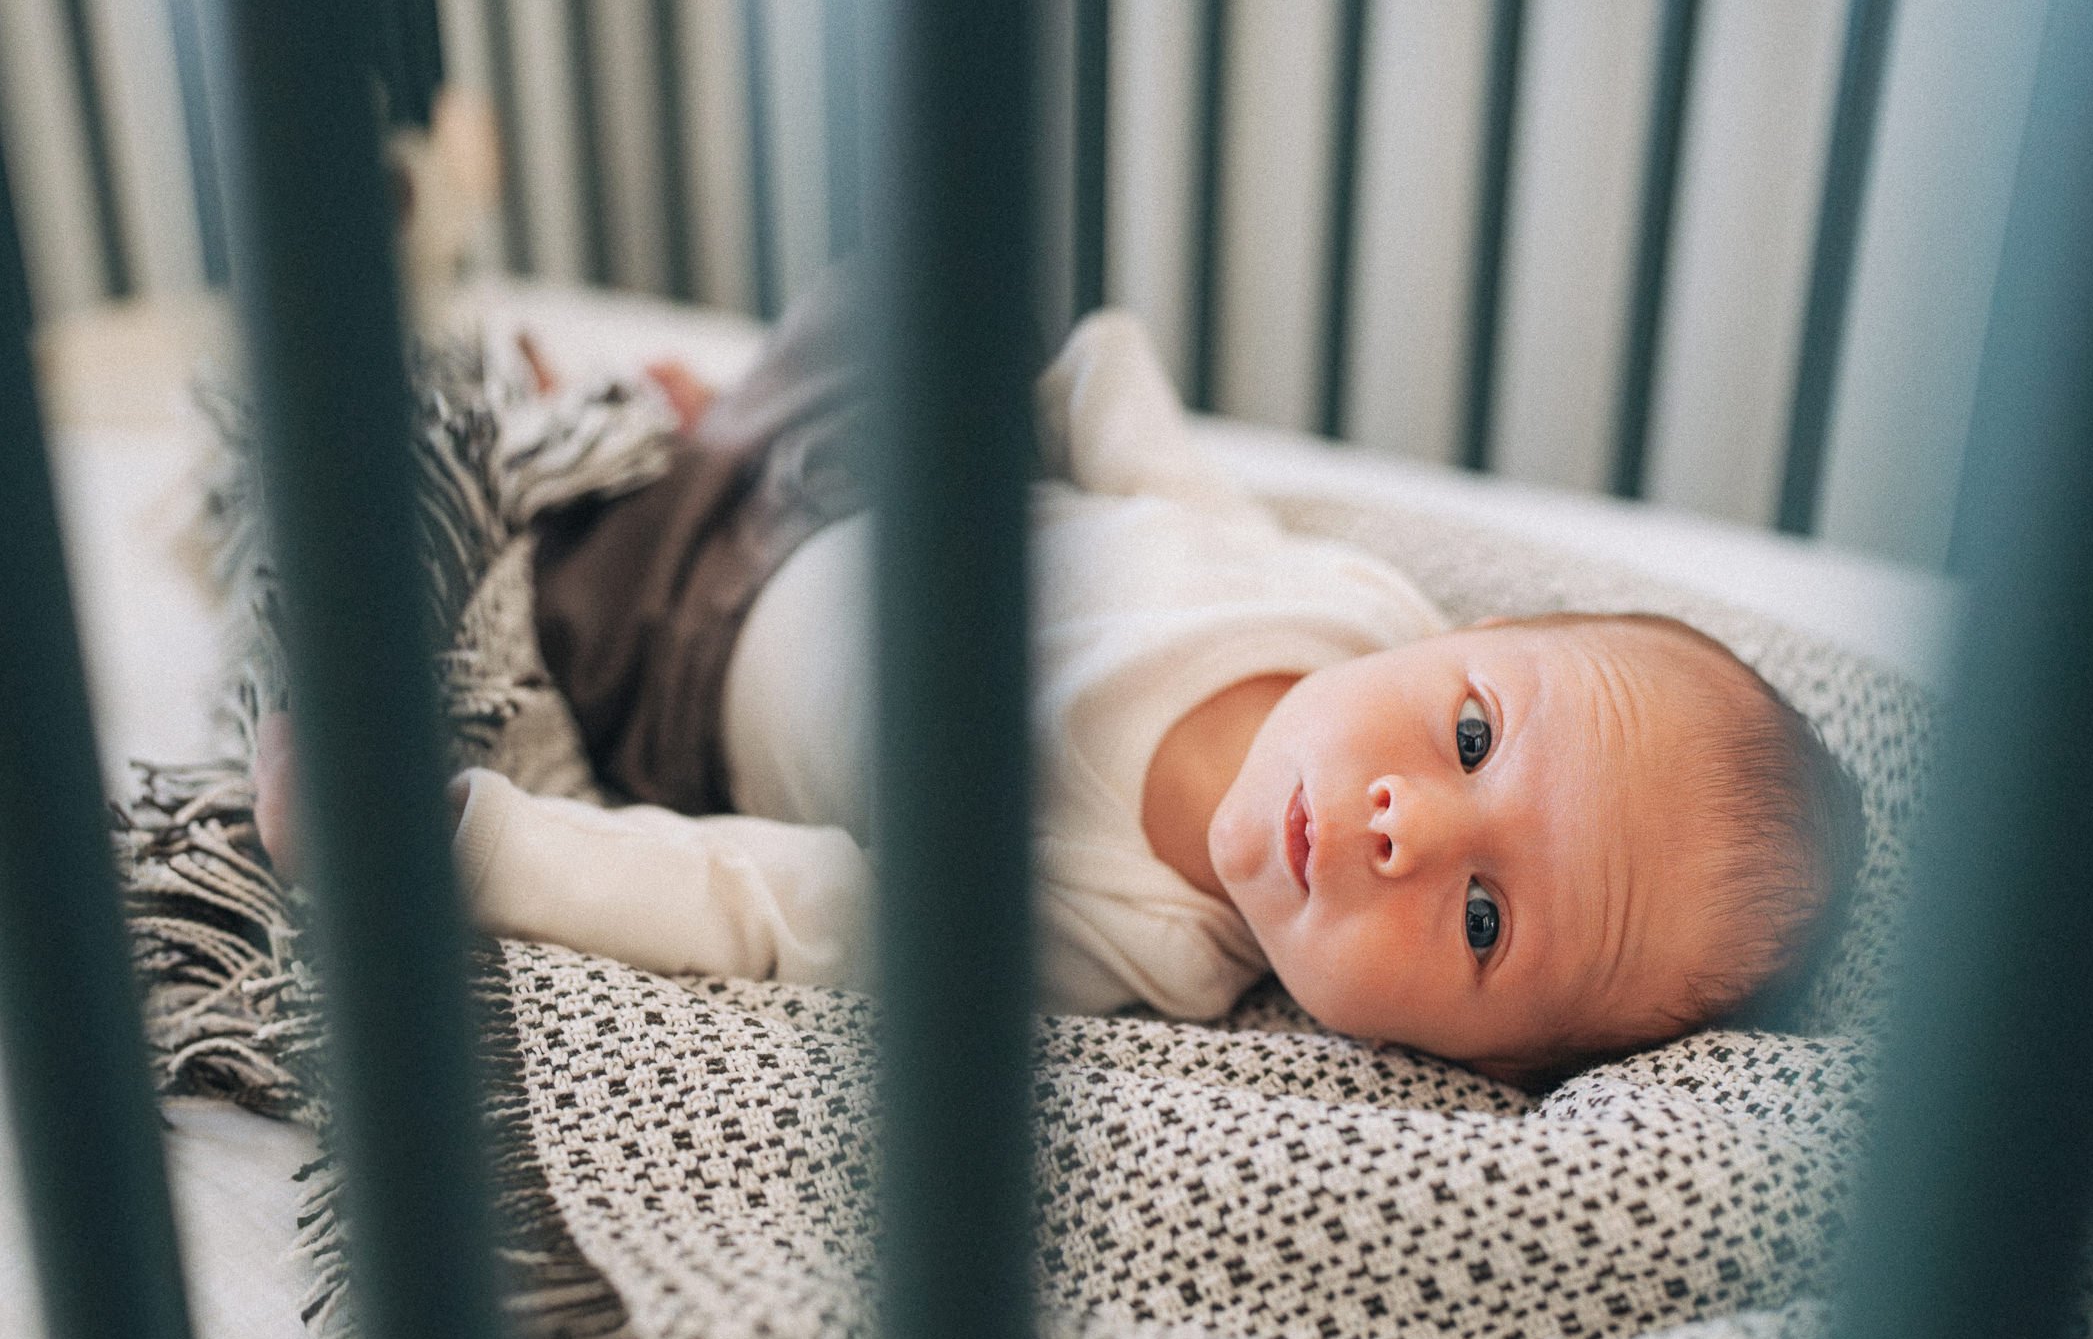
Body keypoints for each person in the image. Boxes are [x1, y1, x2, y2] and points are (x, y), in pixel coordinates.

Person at [255, 279, 1863, 1086]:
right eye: (1471, 736)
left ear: (1469, 1067)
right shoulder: (1349, 603)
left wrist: (463, 844)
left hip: (681, 645)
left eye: (1489, 921)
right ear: (1457, 648)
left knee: (522, 541)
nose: (1406, 825)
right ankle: (699, 415)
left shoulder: (1131, 945)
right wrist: (1084, 370)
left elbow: (782, 903)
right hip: (875, 472)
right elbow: (1154, 466)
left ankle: (623, 440)